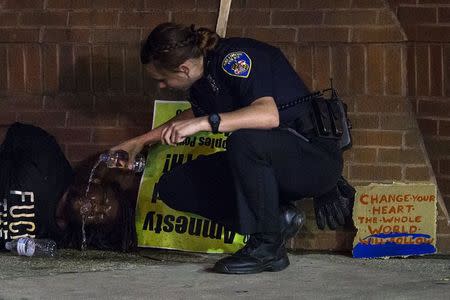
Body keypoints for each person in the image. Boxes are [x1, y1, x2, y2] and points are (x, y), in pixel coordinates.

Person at [111, 22, 355, 274]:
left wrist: (205, 123)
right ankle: (277, 220)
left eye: (162, 79)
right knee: (175, 186)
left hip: (313, 160)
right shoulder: (201, 81)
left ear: (183, 69)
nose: (161, 85)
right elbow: (190, 116)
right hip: (268, 164)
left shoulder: (233, 59)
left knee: (244, 140)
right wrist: (138, 142)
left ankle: (267, 248)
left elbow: (267, 115)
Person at [0, 122, 137, 252]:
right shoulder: (46, 153)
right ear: (96, 181)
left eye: (102, 216)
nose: (96, 209)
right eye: (102, 201)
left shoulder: (55, 243)